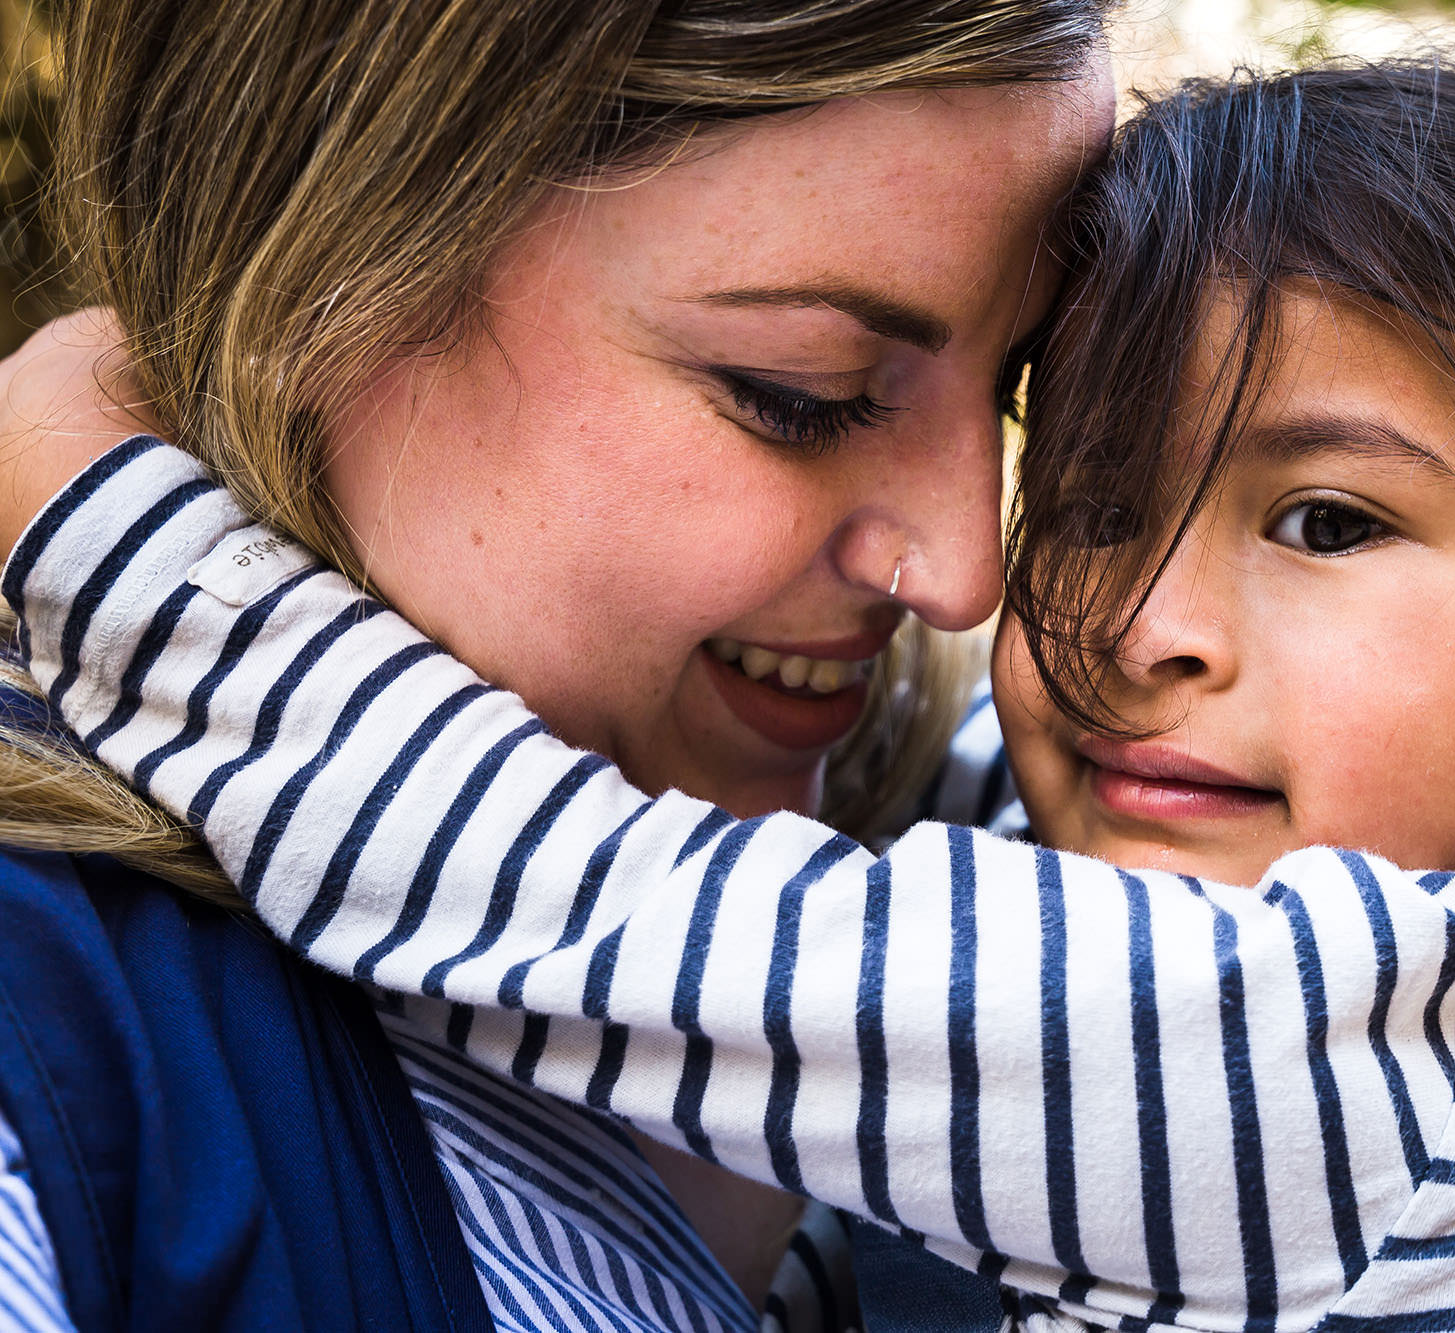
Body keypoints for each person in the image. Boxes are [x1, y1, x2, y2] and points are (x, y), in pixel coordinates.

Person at [0, 56, 1455, 1333]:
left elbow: (566, 903)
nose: (1132, 619)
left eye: (1322, 520)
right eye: (1079, 496)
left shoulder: (1364, 1063)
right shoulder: (1057, 892)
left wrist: (92, 510)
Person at [0, 0, 1123, 1328]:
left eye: (1013, 395)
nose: (960, 573)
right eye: (800, 392)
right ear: (323, 274)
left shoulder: (1005, 823)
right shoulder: (58, 1030)